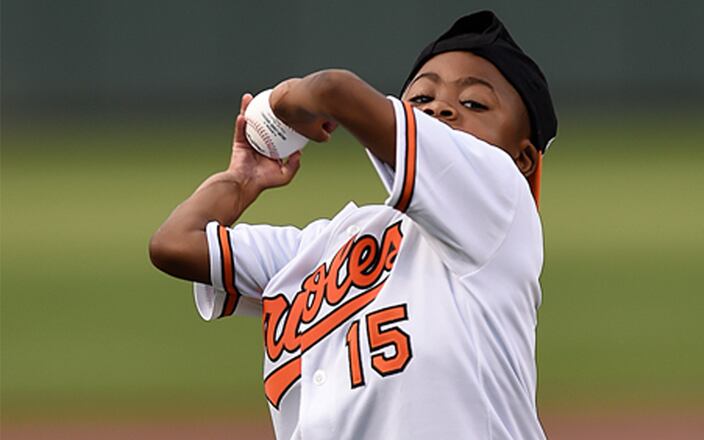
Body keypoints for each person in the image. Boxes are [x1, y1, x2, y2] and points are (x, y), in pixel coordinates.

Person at [149, 10, 557, 440]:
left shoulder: (499, 201)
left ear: (523, 159)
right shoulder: (329, 243)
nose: (440, 107)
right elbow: (175, 245)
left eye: (474, 103)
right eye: (420, 100)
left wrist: (281, 102)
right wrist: (240, 180)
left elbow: (333, 90)